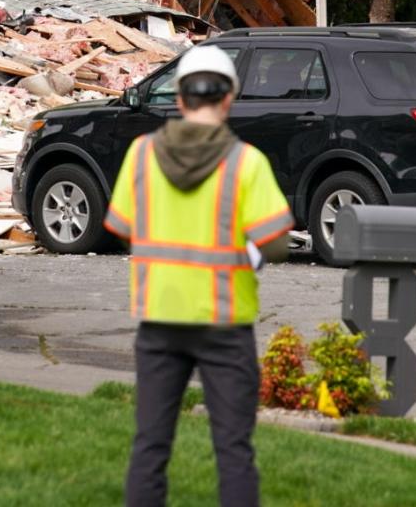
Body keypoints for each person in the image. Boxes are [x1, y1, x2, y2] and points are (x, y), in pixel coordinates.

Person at [103, 45, 294, 507]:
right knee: (233, 450)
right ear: (229, 99)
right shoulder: (245, 161)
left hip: (160, 318)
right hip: (225, 324)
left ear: (181, 98)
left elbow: (123, 228)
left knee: (150, 446)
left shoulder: (142, 155)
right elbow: (277, 243)